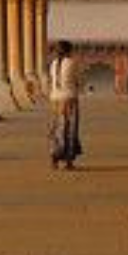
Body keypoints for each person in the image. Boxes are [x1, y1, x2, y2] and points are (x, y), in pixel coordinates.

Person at [47, 40, 81, 170]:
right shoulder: (72, 63)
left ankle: (54, 159)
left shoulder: (53, 64)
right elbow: (79, 81)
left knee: (56, 128)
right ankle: (68, 161)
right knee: (69, 130)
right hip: (69, 99)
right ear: (69, 51)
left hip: (55, 100)